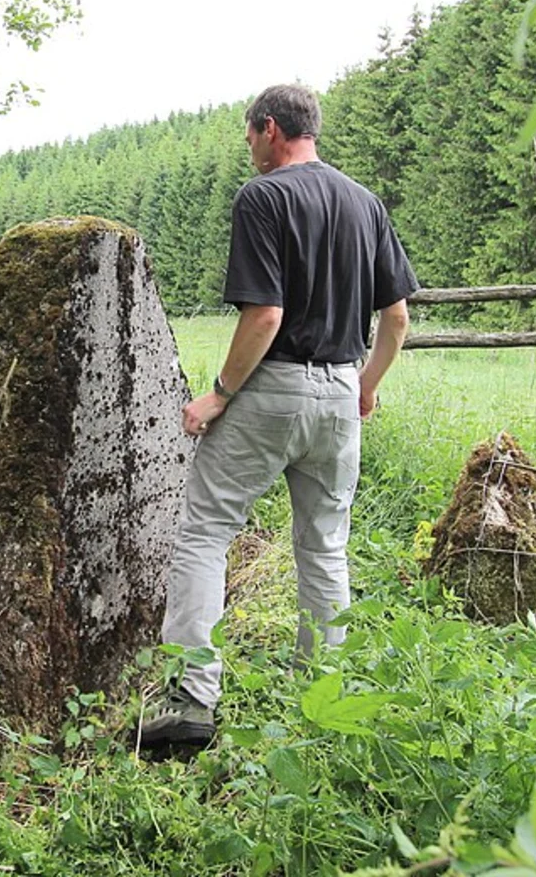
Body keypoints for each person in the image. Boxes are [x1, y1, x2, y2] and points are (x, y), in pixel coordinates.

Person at [136, 83, 417, 748]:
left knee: (205, 532)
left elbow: (265, 315)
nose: (250, 150)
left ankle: (191, 700)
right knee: (324, 547)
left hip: (273, 389)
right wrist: (366, 386)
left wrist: (220, 394)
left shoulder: (262, 197)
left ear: (269, 128)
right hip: (340, 392)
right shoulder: (365, 203)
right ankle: (320, 702)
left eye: (249, 137)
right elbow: (398, 317)